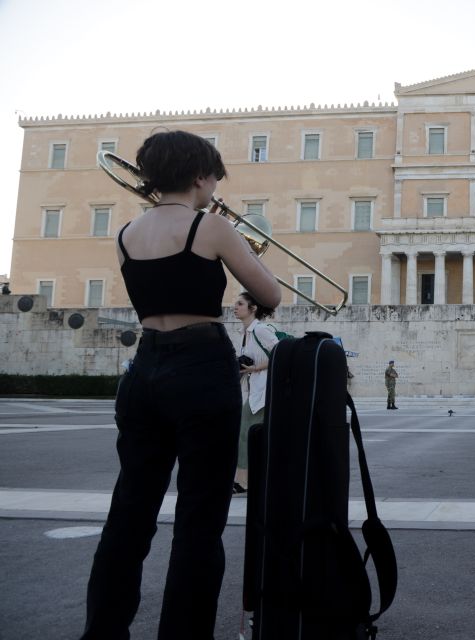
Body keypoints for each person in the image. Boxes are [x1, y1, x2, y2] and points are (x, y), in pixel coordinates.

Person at [81, 130, 281, 640]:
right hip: (200, 365)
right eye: (214, 179)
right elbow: (269, 294)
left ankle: (103, 631)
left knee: (130, 509)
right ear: (199, 176)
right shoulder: (211, 228)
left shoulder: (125, 233)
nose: (216, 189)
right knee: (199, 517)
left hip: (144, 369)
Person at [231, 291, 279, 496]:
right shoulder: (245, 333)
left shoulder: (261, 330)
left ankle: (243, 481)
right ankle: (246, 480)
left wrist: (255, 368)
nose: (235, 307)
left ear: (253, 309)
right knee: (248, 435)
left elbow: (280, 355)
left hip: (264, 392)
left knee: (245, 434)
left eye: (240, 304)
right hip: (253, 391)